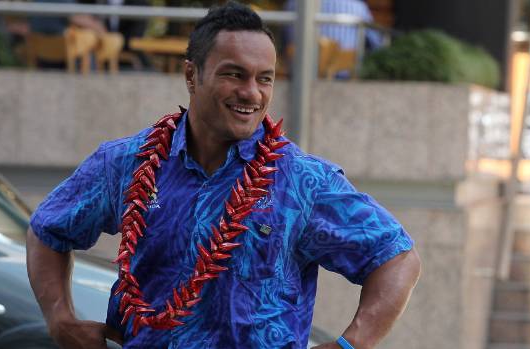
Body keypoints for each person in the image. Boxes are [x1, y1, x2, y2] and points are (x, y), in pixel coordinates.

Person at [26, 2, 421, 349]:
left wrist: (352, 344)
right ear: (191, 75)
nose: (252, 92)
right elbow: (48, 230)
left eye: (264, 78)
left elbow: (397, 258)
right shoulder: (126, 163)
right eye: (234, 74)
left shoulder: (302, 181)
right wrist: (60, 320)